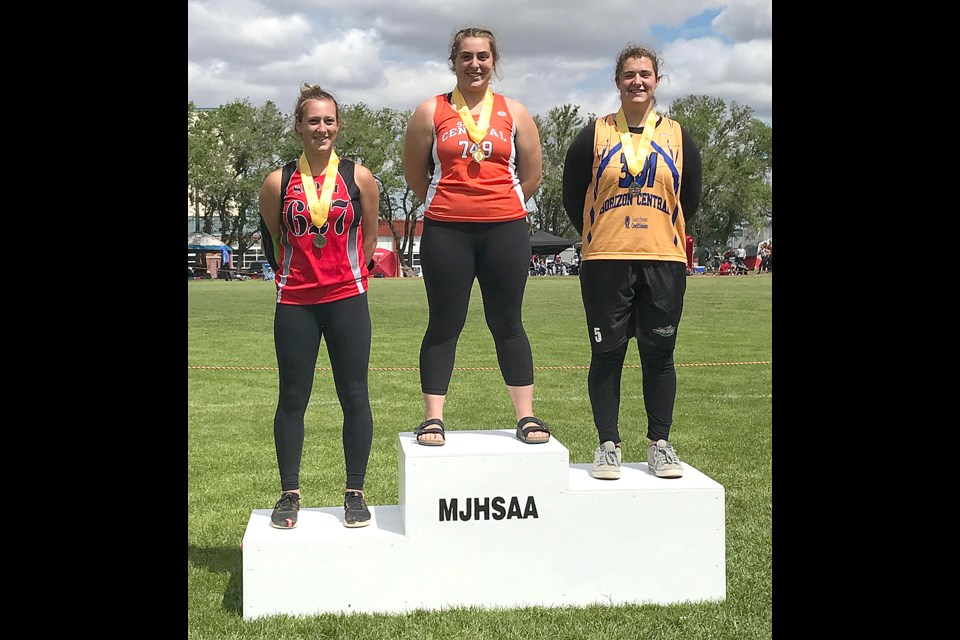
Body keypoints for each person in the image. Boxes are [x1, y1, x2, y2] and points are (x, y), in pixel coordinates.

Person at [402, 26, 549, 447]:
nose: (475, 64)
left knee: (507, 322)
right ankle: (433, 418)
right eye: (466, 56)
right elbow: (416, 173)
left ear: (494, 61)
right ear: (454, 61)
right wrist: (451, 202)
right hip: (447, 230)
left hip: (504, 230)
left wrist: (498, 204)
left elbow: (531, 175)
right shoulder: (430, 110)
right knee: (445, 323)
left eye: (483, 56)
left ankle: (526, 415)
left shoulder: (514, 111)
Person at [561, 43, 702, 479]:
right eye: (629, 75)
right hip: (607, 257)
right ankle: (608, 444)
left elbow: (690, 198)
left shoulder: (677, 135)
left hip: (663, 258)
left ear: (656, 80)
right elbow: (571, 196)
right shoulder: (595, 133)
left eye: (645, 74)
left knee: (660, 354)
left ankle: (660, 443)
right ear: (617, 81)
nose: (637, 81)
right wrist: (603, 231)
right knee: (607, 354)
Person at [257, 83, 380, 529]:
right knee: (292, 398)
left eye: (329, 120)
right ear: (299, 127)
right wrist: (296, 275)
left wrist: (349, 273)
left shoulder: (359, 177)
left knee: (354, 396)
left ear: (338, 126)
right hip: (295, 302)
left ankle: (355, 493)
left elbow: (367, 238)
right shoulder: (277, 181)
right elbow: (276, 240)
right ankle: (289, 493)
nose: (321, 128)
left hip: (347, 299)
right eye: (313, 121)